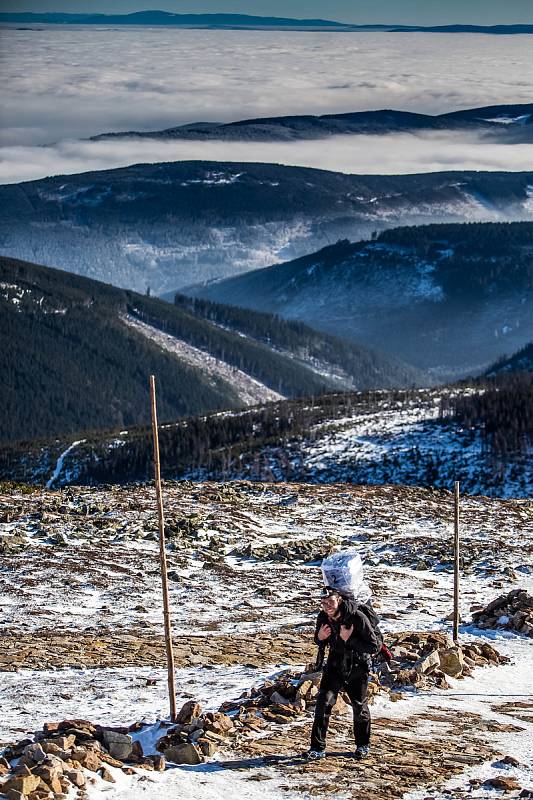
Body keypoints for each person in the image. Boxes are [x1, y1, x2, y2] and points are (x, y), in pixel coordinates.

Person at [307, 586, 379, 761]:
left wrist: (350, 639)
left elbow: (374, 646)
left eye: (330, 602)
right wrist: (320, 637)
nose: (327, 607)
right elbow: (319, 639)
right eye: (323, 603)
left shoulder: (357, 617)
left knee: (359, 706)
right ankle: (317, 748)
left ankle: (363, 745)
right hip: (334, 665)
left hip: (357, 666)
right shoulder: (323, 617)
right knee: (323, 704)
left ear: (339, 600)